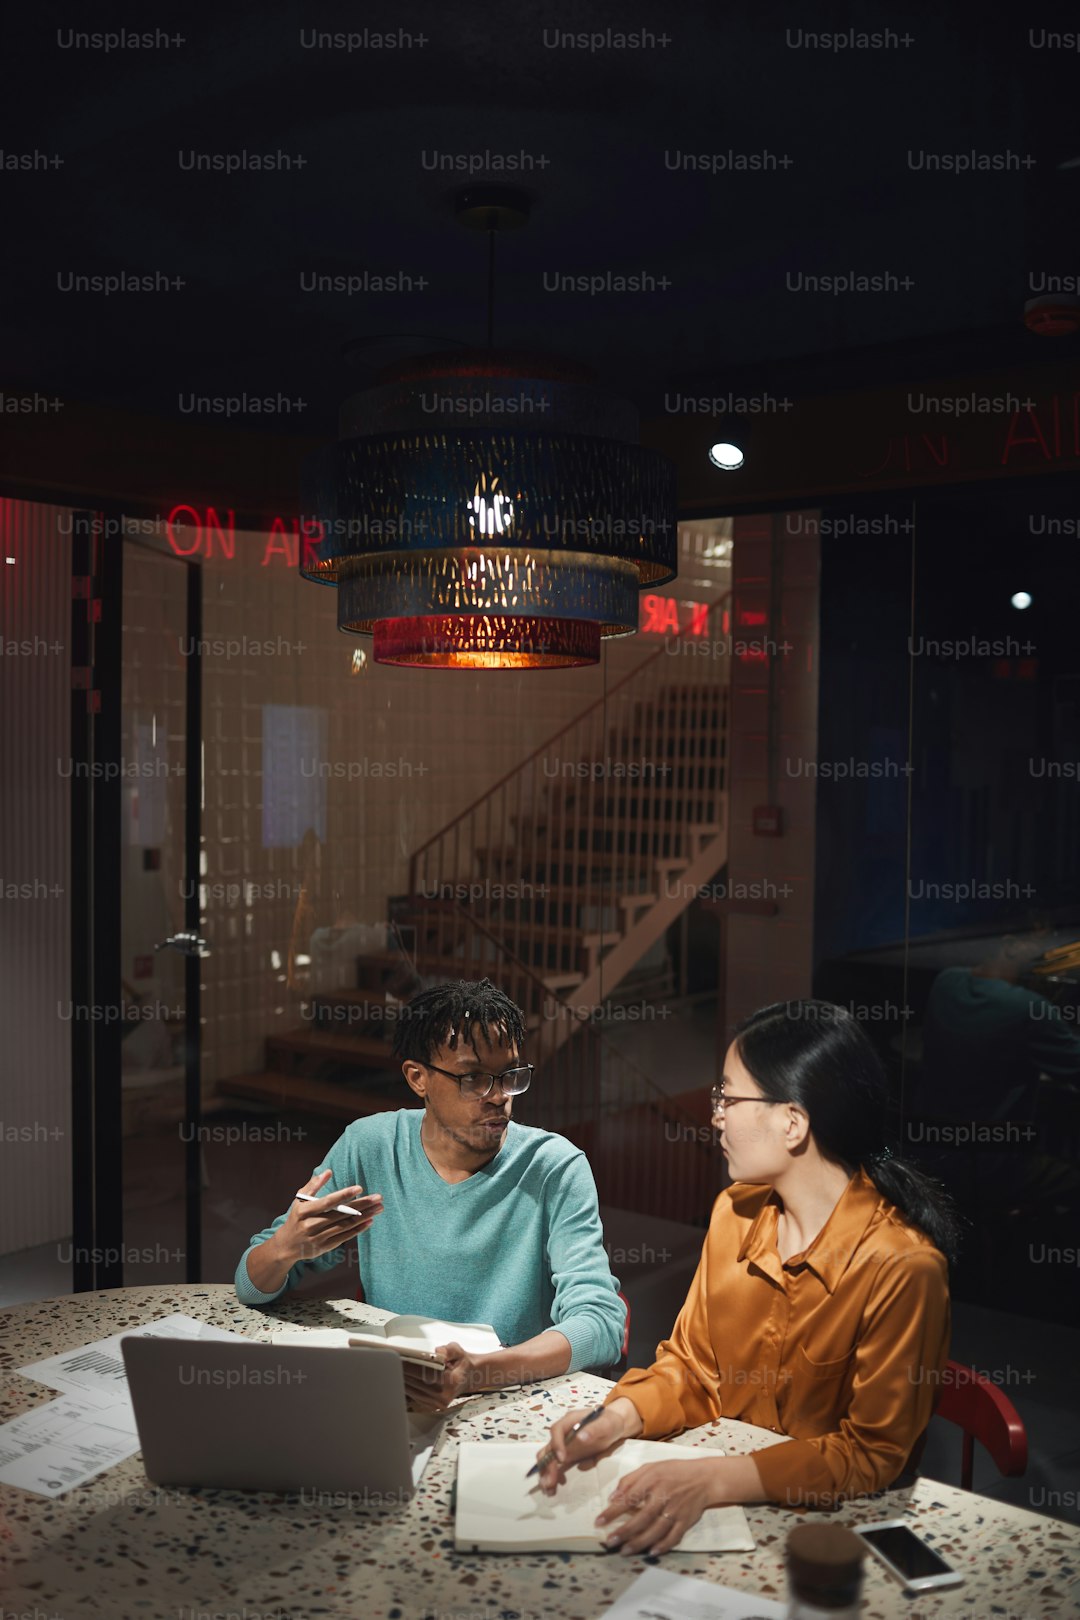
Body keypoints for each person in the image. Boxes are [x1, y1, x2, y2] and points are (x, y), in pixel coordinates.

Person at [535, 1000, 959, 1556]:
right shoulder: (733, 1213)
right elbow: (692, 1369)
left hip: (827, 1537)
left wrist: (712, 1480)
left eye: (729, 1097)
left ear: (792, 1121)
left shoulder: (903, 1267)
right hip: (724, 1503)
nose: (716, 1116)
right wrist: (614, 1418)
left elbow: (870, 1456)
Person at [235, 977, 625, 1402]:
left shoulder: (555, 1167)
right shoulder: (370, 1147)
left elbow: (601, 1324)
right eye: (473, 1078)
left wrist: (479, 1374)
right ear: (418, 1078)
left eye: (509, 1075)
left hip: (509, 1395)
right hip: (395, 1392)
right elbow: (249, 1285)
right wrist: (284, 1250)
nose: (499, 1098)